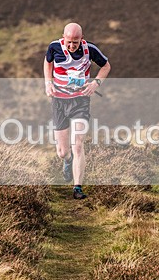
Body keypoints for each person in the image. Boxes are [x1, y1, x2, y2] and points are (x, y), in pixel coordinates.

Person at [44, 22, 111, 199]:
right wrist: (48, 82)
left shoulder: (90, 49)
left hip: (80, 102)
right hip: (59, 101)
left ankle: (78, 187)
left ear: (81, 39)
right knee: (63, 152)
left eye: (76, 42)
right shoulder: (54, 47)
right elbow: (47, 62)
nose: (72, 46)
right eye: (69, 42)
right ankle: (67, 161)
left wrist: (96, 83)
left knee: (78, 144)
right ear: (63, 38)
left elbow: (106, 66)